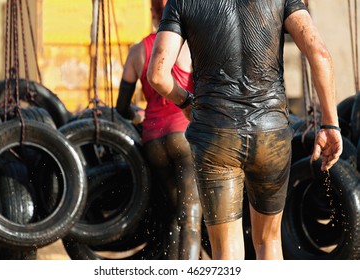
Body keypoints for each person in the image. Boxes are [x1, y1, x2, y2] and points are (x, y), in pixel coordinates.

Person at [147, 0, 343, 260]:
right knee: (268, 241)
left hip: (215, 135)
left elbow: (158, 74)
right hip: (270, 134)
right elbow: (319, 53)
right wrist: (330, 123)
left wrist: (186, 101)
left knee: (226, 250)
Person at [115, 0, 202, 260]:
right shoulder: (187, 46)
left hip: (152, 140)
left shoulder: (136, 52)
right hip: (183, 136)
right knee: (192, 218)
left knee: (175, 214)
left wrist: (138, 115)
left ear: (152, 12)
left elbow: (121, 108)